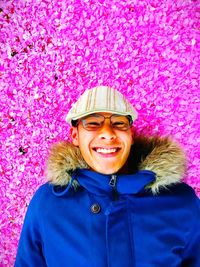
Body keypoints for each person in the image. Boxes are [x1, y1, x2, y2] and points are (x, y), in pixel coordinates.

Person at [15, 86, 200, 267]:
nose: (107, 133)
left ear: (131, 135)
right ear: (75, 135)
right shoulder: (48, 202)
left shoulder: (182, 201)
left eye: (119, 123)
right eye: (93, 123)